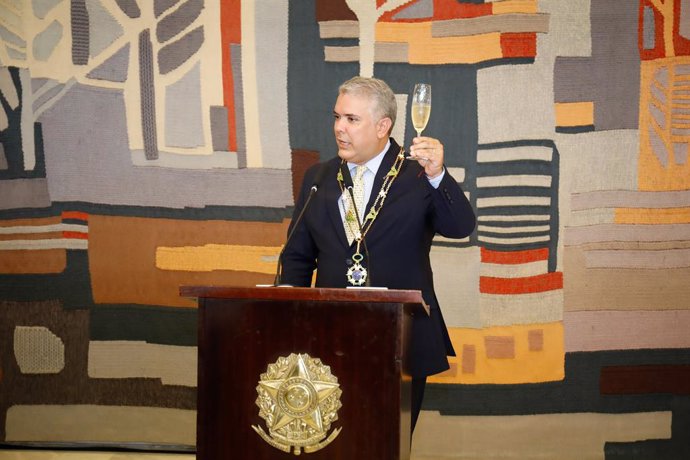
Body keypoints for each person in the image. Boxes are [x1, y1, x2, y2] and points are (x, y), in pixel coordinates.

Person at [280, 76, 476, 434]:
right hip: (328, 339)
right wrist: (286, 325)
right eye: (337, 117)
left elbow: (461, 226)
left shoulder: (418, 175)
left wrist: (439, 176)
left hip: (401, 338)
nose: (340, 128)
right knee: (332, 443)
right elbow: (296, 258)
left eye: (352, 119)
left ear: (383, 126)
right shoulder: (319, 178)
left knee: (387, 443)